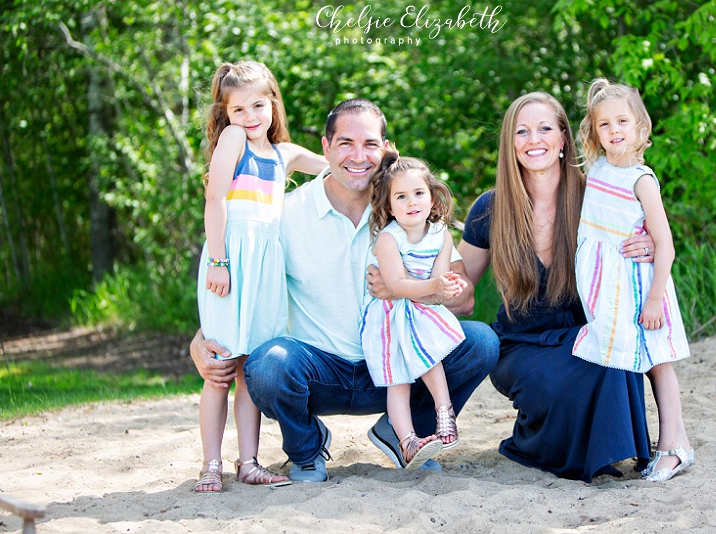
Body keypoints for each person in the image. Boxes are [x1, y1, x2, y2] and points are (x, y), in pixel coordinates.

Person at [190, 98, 498, 483]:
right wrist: (201, 340)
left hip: (396, 364)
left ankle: (405, 432)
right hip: (320, 370)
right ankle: (306, 447)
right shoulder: (286, 212)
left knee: (481, 342)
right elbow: (247, 284)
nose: (358, 156)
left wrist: (409, 289)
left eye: (370, 144)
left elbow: (465, 299)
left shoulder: (410, 207)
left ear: (385, 149)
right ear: (324, 147)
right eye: (345, 143)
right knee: (268, 364)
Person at [455, 92, 654, 482]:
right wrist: (422, 281)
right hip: (520, 343)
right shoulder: (491, 208)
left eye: (545, 128)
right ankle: (533, 444)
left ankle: (607, 452)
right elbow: (461, 290)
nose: (534, 140)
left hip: (585, 331)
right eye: (522, 131)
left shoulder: (596, 194)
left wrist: (647, 244)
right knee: (554, 381)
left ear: (563, 137)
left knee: (610, 359)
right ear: (510, 143)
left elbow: (645, 237)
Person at [194, 61, 329, 492]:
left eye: (259, 105)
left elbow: (332, 165)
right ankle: (210, 464)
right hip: (231, 258)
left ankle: (247, 461)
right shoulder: (234, 141)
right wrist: (218, 261)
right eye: (238, 110)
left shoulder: (284, 154)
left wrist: (380, 155)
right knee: (220, 363)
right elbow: (215, 199)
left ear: (273, 102)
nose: (250, 117)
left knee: (251, 366)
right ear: (226, 116)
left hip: (267, 266)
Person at [574, 78, 693, 482]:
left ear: (640, 126)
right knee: (637, 365)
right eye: (604, 124)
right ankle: (667, 444)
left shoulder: (642, 179)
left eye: (622, 121)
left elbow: (665, 245)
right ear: (594, 131)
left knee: (659, 364)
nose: (614, 130)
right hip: (611, 292)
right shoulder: (597, 169)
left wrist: (656, 298)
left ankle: (673, 448)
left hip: (642, 288)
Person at [360, 149, 467, 469]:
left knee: (426, 349)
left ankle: (444, 414)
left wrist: (448, 286)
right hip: (388, 314)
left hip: (419, 308)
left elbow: (440, 277)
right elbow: (396, 285)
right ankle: (407, 441)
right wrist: (434, 288)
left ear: (432, 199)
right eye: (401, 197)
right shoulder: (388, 239)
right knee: (399, 380)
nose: (411, 202)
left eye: (418, 193)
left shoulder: (440, 235)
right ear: (389, 206)